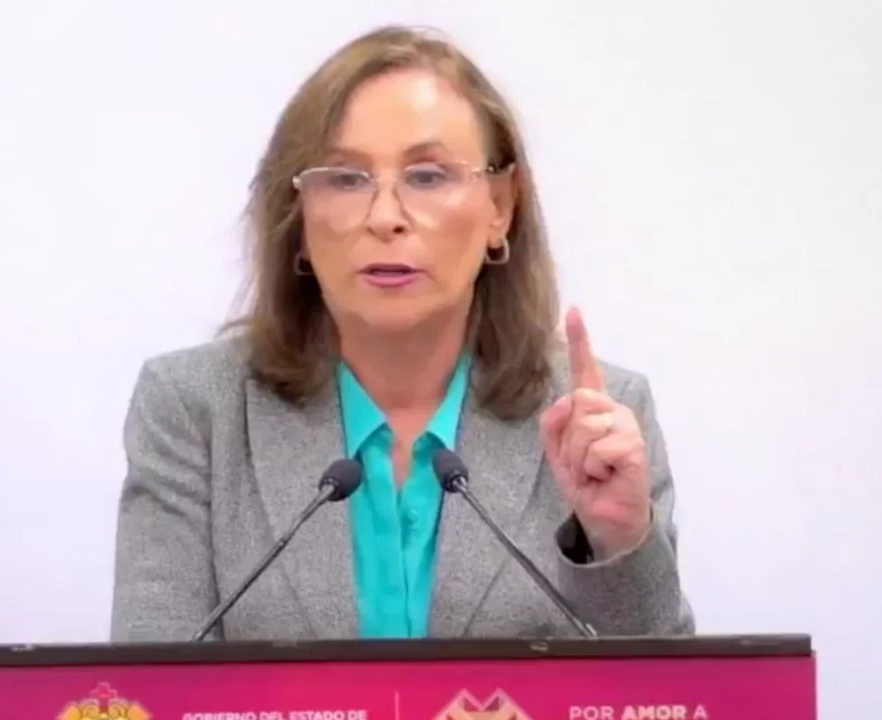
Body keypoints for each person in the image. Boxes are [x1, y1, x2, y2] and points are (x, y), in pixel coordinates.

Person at [110, 25, 694, 642]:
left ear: (500, 207)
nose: (385, 218)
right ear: (298, 216)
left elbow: (665, 687)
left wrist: (618, 540)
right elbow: (152, 683)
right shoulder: (194, 410)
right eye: (345, 178)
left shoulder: (598, 420)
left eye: (428, 176)